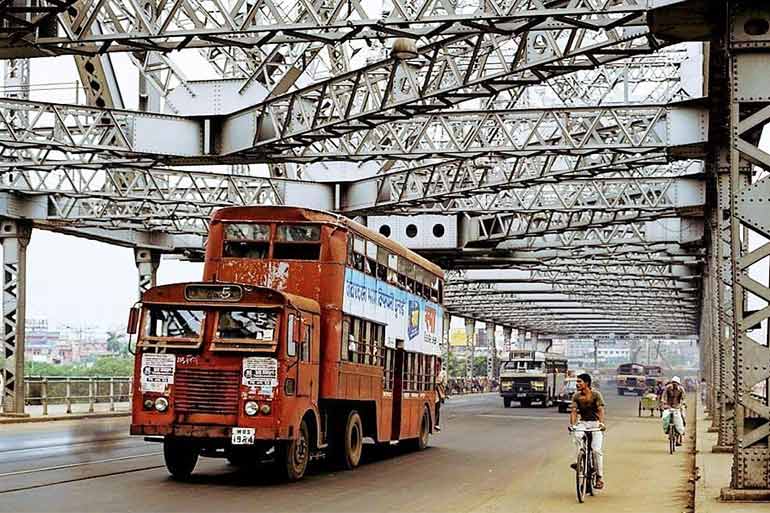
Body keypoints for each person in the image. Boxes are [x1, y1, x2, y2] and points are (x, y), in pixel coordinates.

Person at [569, 373, 606, 490]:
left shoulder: (596, 395)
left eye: (579, 382)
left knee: (596, 451)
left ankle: (599, 477)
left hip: (595, 424)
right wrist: (573, 425)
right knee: (577, 435)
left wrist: (601, 423)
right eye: (577, 382)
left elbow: (600, 410)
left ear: (587, 383)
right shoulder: (576, 396)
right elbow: (574, 411)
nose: (577, 384)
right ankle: (578, 461)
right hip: (583, 423)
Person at [661, 376, 686, 445]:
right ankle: (668, 430)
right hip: (669, 406)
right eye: (673, 383)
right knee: (665, 417)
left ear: (678, 384)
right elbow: (664, 396)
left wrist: (681, 404)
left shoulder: (681, 389)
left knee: (682, 418)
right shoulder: (668, 388)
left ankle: (679, 436)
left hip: (678, 406)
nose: (674, 384)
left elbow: (683, 398)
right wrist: (664, 403)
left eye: (676, 383)